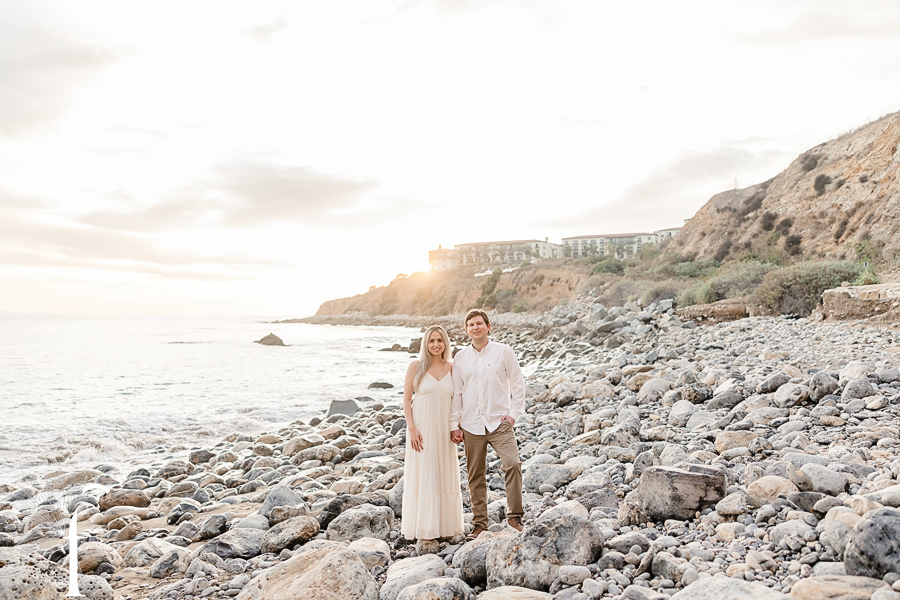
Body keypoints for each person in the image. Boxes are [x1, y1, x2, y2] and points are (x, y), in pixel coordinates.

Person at [450, 309, 526, 541]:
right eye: (471, 324)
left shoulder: (504, 352)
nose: (475, 328)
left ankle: (515, 516)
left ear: (488, 326)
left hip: (499, 422)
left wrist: (513, 414)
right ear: (466, 330)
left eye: (479, 324)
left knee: (512, 463)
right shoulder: (461, 358)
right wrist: (454, 424)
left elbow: (518, 384)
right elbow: (457, 393)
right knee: (476, 475)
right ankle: (480, 524)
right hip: (471, 424)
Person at [401, 325, 464, 547]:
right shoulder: (416, 366)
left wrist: (457, 426)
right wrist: (412, 428)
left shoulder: (453, 367)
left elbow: (460, 400)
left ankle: (445, 526)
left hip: (444, 429)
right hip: (422, 429)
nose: (436, 344)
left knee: (443, 473)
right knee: (426, 474)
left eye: (440, 340)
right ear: (425, 344)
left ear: (445, 343)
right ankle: (426, 528)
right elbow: (406, 401)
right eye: (431, 341)